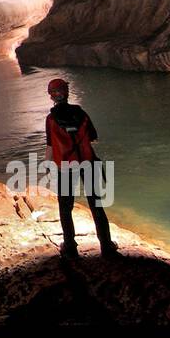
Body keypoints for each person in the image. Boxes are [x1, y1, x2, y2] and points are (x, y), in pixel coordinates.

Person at [44, 77, 119, 260]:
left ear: (51, 96)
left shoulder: (51, 119)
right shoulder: (81, 113)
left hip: (66, 167)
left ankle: (70, 247)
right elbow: (93, 137)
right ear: (67, 93)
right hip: (88, 163)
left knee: (65, 207)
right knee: (96, 205)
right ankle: (106, 247)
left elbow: (50, 147)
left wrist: (48, 167)